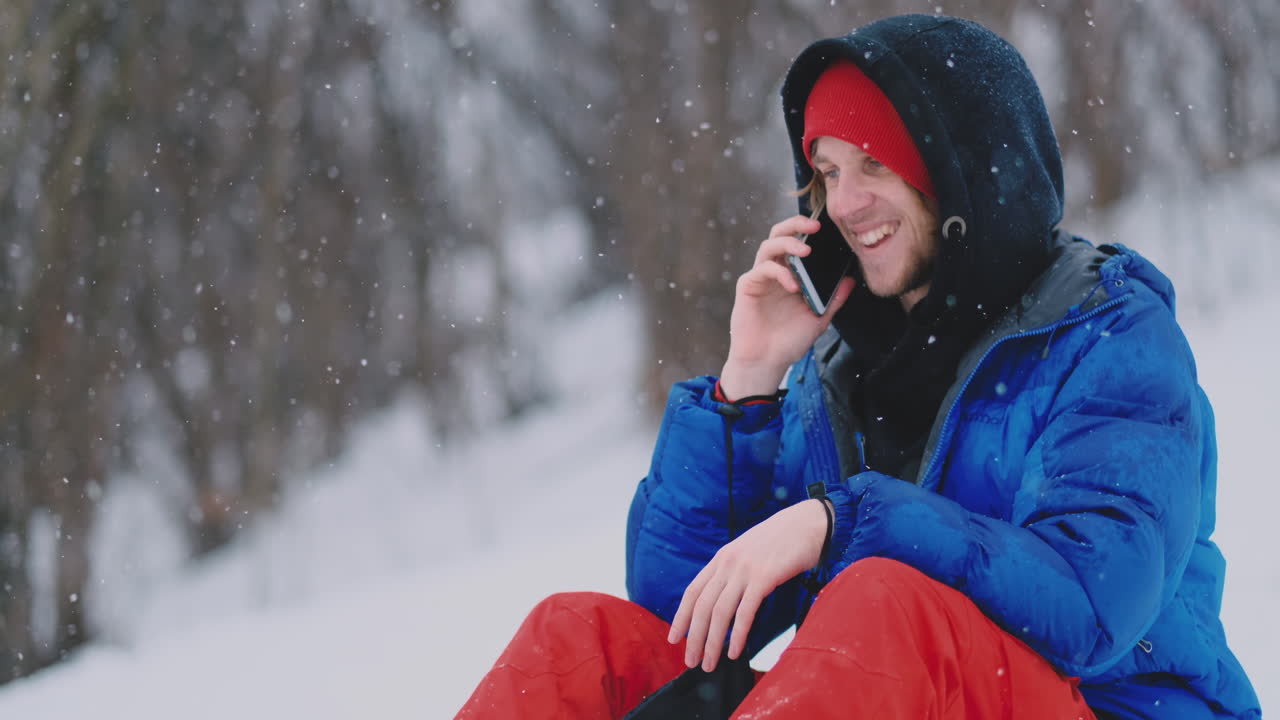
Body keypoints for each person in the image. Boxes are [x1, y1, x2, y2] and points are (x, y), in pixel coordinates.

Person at [455, 14, 1261, 719]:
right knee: (581, 641)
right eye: (829, 172)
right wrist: (750, 380)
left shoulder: (1108, 334)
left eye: (875, 165)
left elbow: (1093, 603)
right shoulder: (839, 367)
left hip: (1109, 707)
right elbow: (683, 613)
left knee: (883, 599)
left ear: (962, 175)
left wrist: (843, 522)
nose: (843, 204)